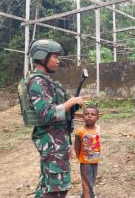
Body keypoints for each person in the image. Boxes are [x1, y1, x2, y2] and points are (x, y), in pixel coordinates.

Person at [26, 39, 89, 198]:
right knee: (57, 189)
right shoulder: (38, 82)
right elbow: (46, 114)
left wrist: (73, 104)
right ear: (43, 57)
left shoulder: (46, 81)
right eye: (55, 57)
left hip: (56, 139)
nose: (58, 61)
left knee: (48, 184)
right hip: (51, 142)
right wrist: (69, 103)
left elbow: (58, 108)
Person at [74, 106, 101, 198]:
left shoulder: (98, 128)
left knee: (91, 182)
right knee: (86, 184)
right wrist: (78, 156)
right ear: (83, 117)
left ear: (97, 117)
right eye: (87, 114)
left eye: (93, 114)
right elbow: (77, 145)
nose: (89, 116)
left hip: (95, 160)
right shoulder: (80, 131)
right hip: (85, 161)